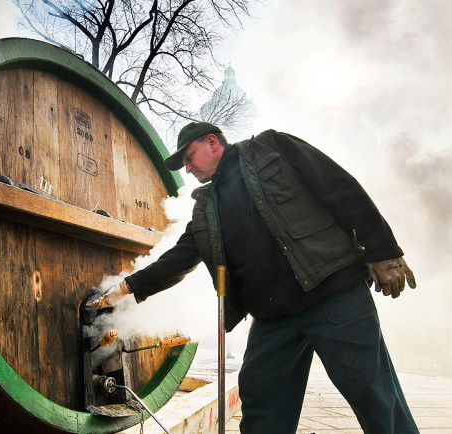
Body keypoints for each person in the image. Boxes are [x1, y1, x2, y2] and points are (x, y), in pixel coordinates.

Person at [88, 122, 419, 433]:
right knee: (261, 404)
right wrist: (125, 288)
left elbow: (338, 186)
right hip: (274, 319)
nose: (188, 169)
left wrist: (383, 251)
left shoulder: (272, 146)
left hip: (334, 292)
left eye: (190, 158)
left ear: (212, 142)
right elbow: (180, 257)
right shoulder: (207, 206)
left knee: (373, 394)